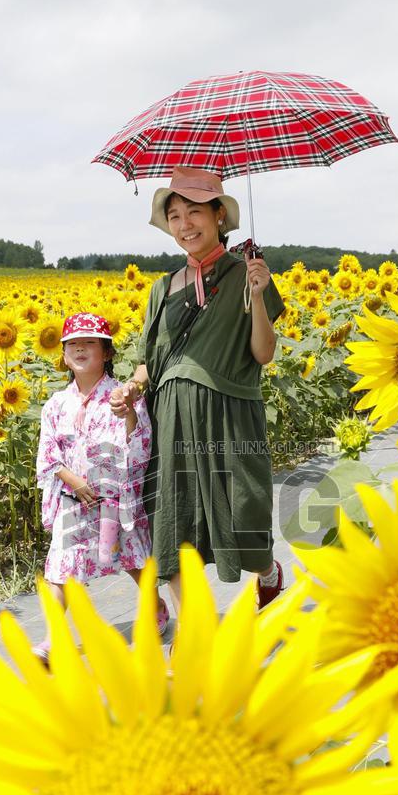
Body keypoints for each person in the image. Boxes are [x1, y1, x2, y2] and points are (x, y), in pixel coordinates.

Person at [110, 166, 286, 627]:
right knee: (171, 520)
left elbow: (263, 355)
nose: (185, 224)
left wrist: (259, 295)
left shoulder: (246, 274)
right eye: (174, 215)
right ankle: (195, 629)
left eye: (194, 212)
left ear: (218, 216)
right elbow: (154, 360)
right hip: (169, 420)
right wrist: (132, 386)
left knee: (243, 514)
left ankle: (267, 571)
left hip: (229, 417)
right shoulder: (161, 288)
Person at [34, 312, 168, 661]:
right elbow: (48, 455)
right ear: (63, 355)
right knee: (60, 569)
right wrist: (72, 480)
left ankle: (156, 608)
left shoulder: (122, 396)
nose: (79, 349)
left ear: (106, 353)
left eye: (89, 343)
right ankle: (53, 638)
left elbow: (140, 446)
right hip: (72, 497)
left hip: (114, 498)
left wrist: (129, 416)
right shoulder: (56, 405)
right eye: (72, 344)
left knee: (133, 559)